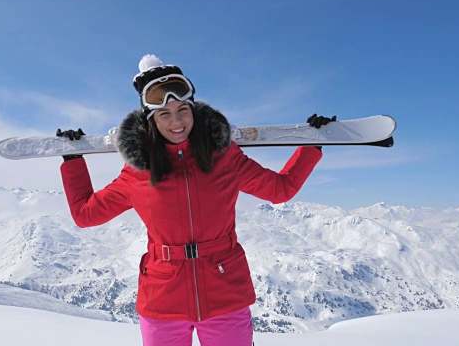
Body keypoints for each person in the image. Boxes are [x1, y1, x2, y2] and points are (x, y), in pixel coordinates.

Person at [57, 54, 335, 346]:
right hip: (162, 300)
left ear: (194, 110)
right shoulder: (139, 171)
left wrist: (312, 145)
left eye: (182, 110)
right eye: (164, 114)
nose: (176, 121)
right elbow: (86, 214)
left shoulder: (225, 157)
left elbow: (281, 189)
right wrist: (73, 160)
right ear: (151, 121)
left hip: (225, 293)